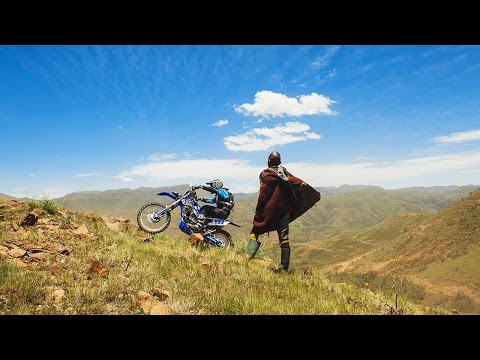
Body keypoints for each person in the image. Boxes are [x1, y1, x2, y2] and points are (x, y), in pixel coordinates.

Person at [246, 151, 321, 272]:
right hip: (284, 211)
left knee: (255, 231)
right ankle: (284, 269)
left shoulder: (265, 174)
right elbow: (300, 184)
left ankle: (247, 258)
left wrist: (259, 212)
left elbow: (263, 195)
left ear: (269, 161)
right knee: (284, 238)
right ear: (279, 162)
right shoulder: (286, 174)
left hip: (269, 212)